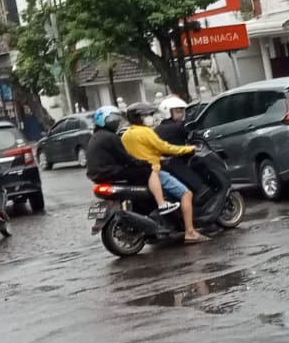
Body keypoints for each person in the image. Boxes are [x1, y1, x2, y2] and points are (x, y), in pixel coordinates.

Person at [121, 102, 208, 243]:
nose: (150, 117)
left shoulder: (126, 135)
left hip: (139, 173)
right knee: (186, 194)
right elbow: (165, 147)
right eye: (148, 115)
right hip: (155, 171)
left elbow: (143, 151)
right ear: (139, 117)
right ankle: (190, 232)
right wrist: (188, 149)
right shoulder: (145, 132)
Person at [85, 105, 178, 216]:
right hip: (110, 172)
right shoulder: (109, 137)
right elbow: (126, 158)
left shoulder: (97, 136)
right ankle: (161, 203)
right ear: (104, 120)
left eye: (117, 120)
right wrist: (147, 163)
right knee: (149, 171)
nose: (117, 122)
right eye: (114, 119)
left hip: (99, 174)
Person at [155, 96, 205, 196]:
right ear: (168, 112)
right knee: (199, 186)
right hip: (176, 161)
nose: (181, 114)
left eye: (182, 111)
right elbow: (193, 136)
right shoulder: (178, 127)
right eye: (178, 112)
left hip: (163, 162)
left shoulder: (158, 128)